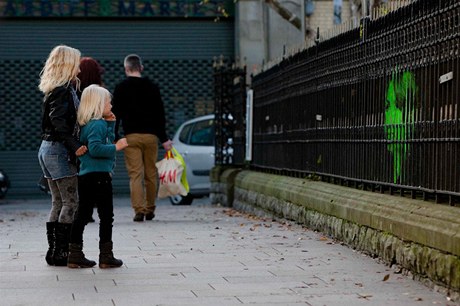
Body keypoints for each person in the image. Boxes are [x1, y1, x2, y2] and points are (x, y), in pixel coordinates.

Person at [67, 85, 128, 268]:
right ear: (98, 104)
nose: (111, 104)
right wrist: (117, 147)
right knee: (106, 216)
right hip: (98, 176)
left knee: (84, 214)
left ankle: (75, 253)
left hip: (88, 175)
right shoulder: (97, 124)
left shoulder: (93, 123)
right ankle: (105, 256)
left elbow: (103, 139)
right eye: (108, 101)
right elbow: (96, 148)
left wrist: (111, 123)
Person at [38, 45, 87, 266]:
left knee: (57, 202)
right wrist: (75, 145)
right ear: (69, 64)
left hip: (48, 149)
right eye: (77, 62)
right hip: (58, 151)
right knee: (70, 202)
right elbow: (59, 123)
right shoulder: (63, 90)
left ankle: (54, 252)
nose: (79, 67)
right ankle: (62, 252)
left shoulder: (55, 88)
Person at [112, 54, 173, 222]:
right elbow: (160, 115)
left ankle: (138, 210)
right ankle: (150, 208)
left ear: (126, 69)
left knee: (135, 174)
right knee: (151, 173)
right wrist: (164, 139)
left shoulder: (120, 88)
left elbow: (115, 114)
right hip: (151, 136)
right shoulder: (152, 87)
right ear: (141, 68)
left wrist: (115, 136)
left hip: (131, 136)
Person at [77, 56, 105, 223]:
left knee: (81, 173)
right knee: (98, 172)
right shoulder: (100, 92)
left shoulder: (75, 91)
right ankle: (93, 209)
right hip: (96, 136)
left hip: (79, 137)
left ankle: (84, 210)